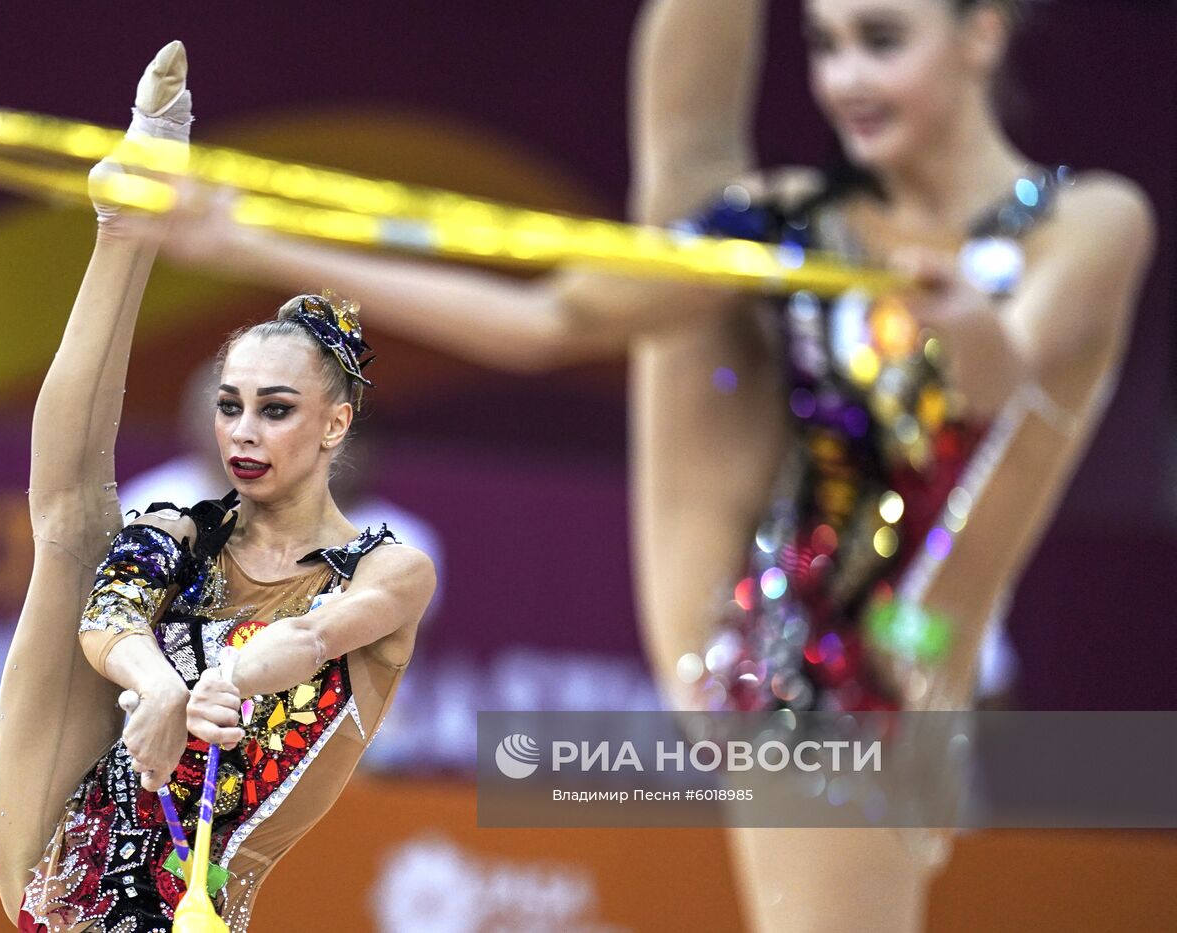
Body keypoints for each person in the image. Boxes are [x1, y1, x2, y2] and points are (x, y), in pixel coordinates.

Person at [146, 2, 1155, 929]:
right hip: (751, 636)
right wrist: (248, 241)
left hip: (874, 677)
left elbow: (1002, 379)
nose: (845, 76)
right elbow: (550, 320)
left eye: (881, 40)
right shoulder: (797, 215)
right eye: (825, 44)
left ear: (980, 34)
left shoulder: (1087, 223)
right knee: (685, 187)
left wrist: (966, 320)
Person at [0, 43, 434, 931]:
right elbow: (110, 616)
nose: (242, 432)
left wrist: (226, 676)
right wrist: (159, 692)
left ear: (334, 424)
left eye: (274, 409)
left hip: (193, 900)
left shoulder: (388, 570)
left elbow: (308, 639)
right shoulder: (183, 528)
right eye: (231, 406)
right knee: (73, 525)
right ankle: (128, 212)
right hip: (68, 842)